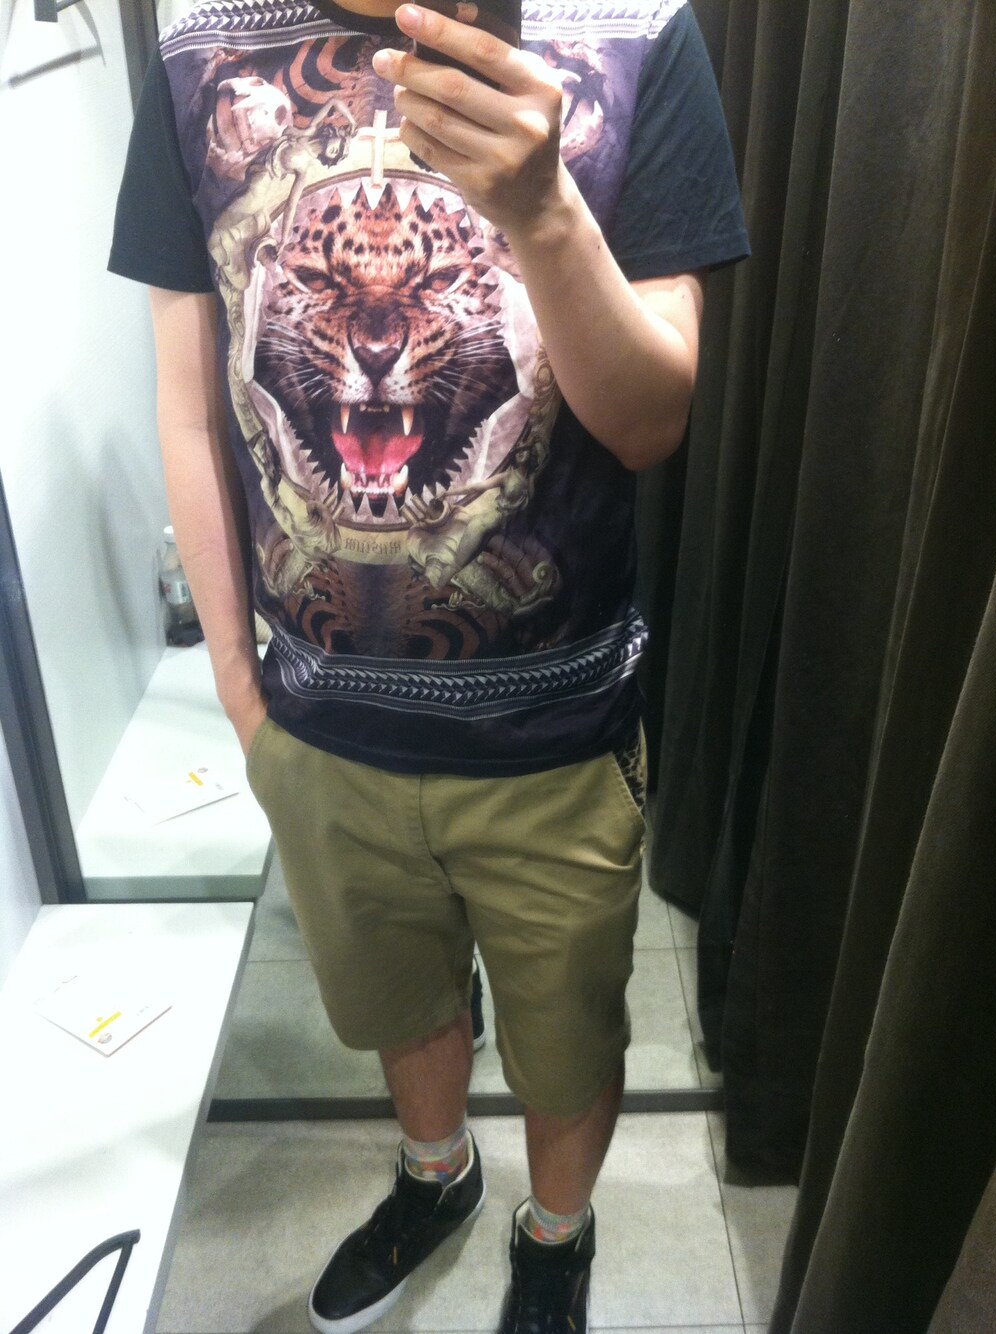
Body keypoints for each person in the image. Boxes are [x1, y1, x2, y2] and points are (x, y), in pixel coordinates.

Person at [109, 1, 748, 1330]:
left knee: (571, 1041)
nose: (379, 327)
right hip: (317, 733)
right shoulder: (195, 53)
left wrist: (546, 210)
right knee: (399, 1008)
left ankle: (556, 1233)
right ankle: (436, 1172)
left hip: (554, 737)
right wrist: (239, 689)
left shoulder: (635, 34)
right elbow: (191, 398)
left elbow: (650, 422)